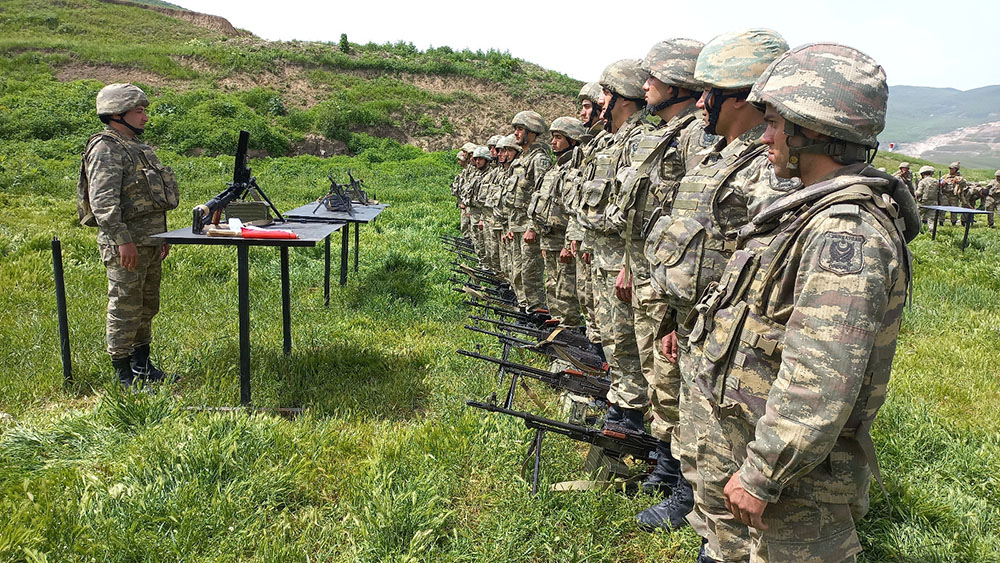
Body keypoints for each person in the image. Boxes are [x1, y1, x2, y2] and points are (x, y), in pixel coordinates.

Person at [699, 42, 919, 562]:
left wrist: (762, 472)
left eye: (775, 123)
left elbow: (820, 375)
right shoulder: (809, 212)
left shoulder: (845, 232)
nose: (765, 136)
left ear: (812, 132)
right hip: (766, 450)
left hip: (801, 484)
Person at [644, 29, 788, 560]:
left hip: (732, 345)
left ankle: (725, 544)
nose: (700, 101)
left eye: (711, 92)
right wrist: (673, 320)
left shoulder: (768, 171)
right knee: (701, 443)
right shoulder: (716, 156)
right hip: (696, 325)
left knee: (726, 452)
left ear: (743, 97)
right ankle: (704, 521)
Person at [603, 38, 713, 531]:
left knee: (678, 383)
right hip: (658, 279)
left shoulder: (696, 139)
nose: (645, 85)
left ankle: (682, 483)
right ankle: (670, 469)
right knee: (662, 378)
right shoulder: (673, 135)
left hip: (681, 288)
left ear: (678, 84)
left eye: (654, 77)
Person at [77, 83, 179, 386]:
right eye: (139, 111)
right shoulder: (105, 148)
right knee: (125, 306)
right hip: (126, 244)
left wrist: (162, 236)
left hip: (149, 242)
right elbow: (103, 203)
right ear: (117, 113)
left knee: (147, 305)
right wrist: (123, 241)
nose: (145, 117)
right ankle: (123, 374)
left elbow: (150, 198)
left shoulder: (136, 147)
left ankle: (142, 365)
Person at [577, 59, 653, 434]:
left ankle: (632, 414)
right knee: (613, 337)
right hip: (604, 256)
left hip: (624, 260)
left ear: (623, 97)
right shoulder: (615, 141)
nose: (599, 102)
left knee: (626, 341)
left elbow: (637, 214)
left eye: (606, 94)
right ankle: (620, 403)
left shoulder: (640, 142)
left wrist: (628, 263)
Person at [529, 117, 587, 328]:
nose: (553, 142)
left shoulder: (577, 168)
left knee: (566, 289)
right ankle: (558, 326)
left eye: (559, 138)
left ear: (573, 140)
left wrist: (567, 243)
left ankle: (570, 329)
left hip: (564, 238)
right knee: (553, 284)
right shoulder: (556, 169)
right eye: (553, 137)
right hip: (550, 236)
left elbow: (574, 209)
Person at [507, 111, 553, 317]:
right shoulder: (522, 159)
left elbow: (544, 195)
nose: (516, 133)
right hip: (517, 223)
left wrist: (534, 227)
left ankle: (537, 312)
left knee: (530, 273)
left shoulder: (539, 159)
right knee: (518, 271)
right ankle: (525, 307)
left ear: (532, 132)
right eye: (515, 129)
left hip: (529, 225)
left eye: (520, 129)